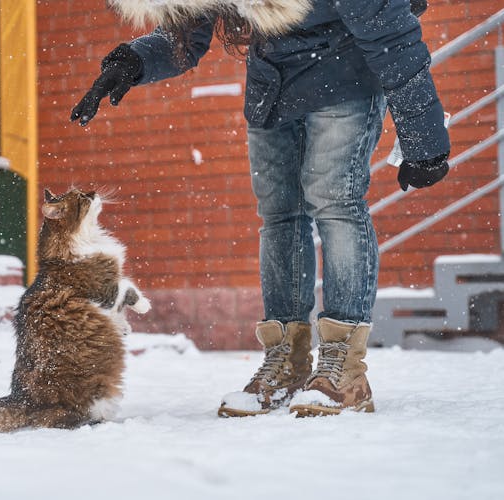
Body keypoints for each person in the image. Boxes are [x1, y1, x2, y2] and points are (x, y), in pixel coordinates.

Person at [70, 0, 450, 417]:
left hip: (346, 82)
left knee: (336, 204)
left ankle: (345, 369)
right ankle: (285, 360)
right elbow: (185, 30)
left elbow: (389, 31)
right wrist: (135, 61)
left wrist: (423, 139)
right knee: (280, 218)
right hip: (272, 89)